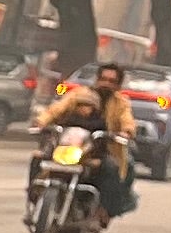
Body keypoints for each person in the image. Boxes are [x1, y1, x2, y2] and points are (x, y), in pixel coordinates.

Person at [32, 59, 139, 223]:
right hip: (69, 146)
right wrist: (41, 122)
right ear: (97, 79)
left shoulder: (121, 103)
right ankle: (34, 193)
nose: (106, 84)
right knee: (38, 158)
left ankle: (103, 210)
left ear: (118, 85)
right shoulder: (79, 94)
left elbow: (127, 120)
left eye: (111, 81)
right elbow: (56, 109)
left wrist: (126, 132)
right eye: (103, 79)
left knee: (111, 167)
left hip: (100, 148)